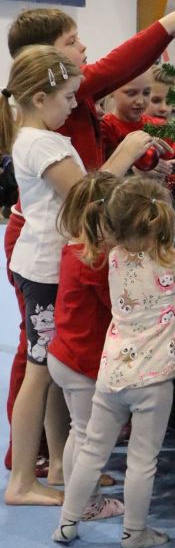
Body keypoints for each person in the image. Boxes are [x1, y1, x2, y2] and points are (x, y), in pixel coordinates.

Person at [4, 2, 175, 473]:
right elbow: (85, 193)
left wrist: (148, 159)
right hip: (50, 246)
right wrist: (166, 27)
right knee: (41, 359)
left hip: (65, 244)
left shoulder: (59, 114)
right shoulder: (47, 125)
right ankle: (31, 457)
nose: (84, 49)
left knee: (56, 358)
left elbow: (106, 134)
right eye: (71, 42)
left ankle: (58, 461)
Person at [53, 176, 175, 548]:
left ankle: (66, 523)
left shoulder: (109, 258)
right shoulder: (173, 267)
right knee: (143, 460)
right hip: (154, 381)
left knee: (92, 451)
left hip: (111, 374)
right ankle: (135, 532)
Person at [1, 47, 86, 506]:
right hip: (45, 272)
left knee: (54, 367)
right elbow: (86, 195)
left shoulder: (37, 136)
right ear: (39, 97)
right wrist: (129, 153)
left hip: (49, 265)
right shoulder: (42, 142)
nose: (74, 105)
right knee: (39, 373)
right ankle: (20, 481)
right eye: (69, 97)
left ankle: (56, 462)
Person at [47, 171, 124, 522]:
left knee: (80, 432)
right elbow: (120, 305)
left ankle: (79, 491)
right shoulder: (97, 261)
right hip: (81, 362)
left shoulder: (74, 247)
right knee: (88, 436)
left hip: (66, 354)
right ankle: (87, 503)